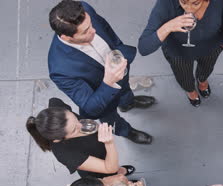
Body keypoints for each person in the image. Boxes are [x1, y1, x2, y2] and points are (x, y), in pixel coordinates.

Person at [48, 0, 155, 144]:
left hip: (119, 68)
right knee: (110, 120)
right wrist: (109, 82)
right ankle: (126, 131)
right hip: (105, 99)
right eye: (85, 32)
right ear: (66, 37)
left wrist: (119, 48)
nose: (93, 31)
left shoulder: (85, 9)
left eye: (90, 24)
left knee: (125, 89)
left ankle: (128, 103)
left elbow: (105, 27)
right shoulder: (60, 70)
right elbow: (91, 107)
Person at [138, 0, 223, 107]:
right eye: (183, 2)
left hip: (210, 48)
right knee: (184, 77)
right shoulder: (166, 4)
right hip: (179, 53)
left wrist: (222, 43)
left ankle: (202, 81)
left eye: (195, 3)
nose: (188, 9)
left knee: (206, 69)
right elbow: (144, 47)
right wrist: (168, 27)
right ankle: (190, 90)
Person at [26, 97, 133, 178]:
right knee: (111, 175)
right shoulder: (65, 154)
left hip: (98, 146)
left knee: (115, 166)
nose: (81, 126)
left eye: (76, 119)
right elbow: (109, 168)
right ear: (58, 139)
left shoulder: (57, 106)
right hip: (95, 165)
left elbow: (53, 100)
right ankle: (120, 176)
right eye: (74, 130)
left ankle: (120, 171)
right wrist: (109, 144)